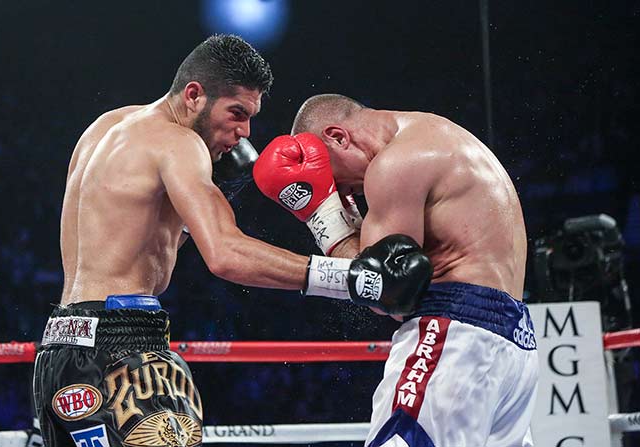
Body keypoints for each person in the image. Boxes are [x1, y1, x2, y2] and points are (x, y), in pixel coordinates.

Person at [32, 37, 429, 447]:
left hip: (61, 345)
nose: (244, 133)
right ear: (193, 95)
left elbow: (141, 249)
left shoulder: (107, 127)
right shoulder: (179, 143)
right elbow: (225, 254)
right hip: (123, 350)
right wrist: (350, 276)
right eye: (236, 113)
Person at [253, 94, 538, 447]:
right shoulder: (439, 133)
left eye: (335, 181)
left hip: (453, 335)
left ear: (338, 137)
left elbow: (384, 290)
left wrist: (323, 216)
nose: (344, 193)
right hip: (516, 344)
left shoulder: (394, 164)